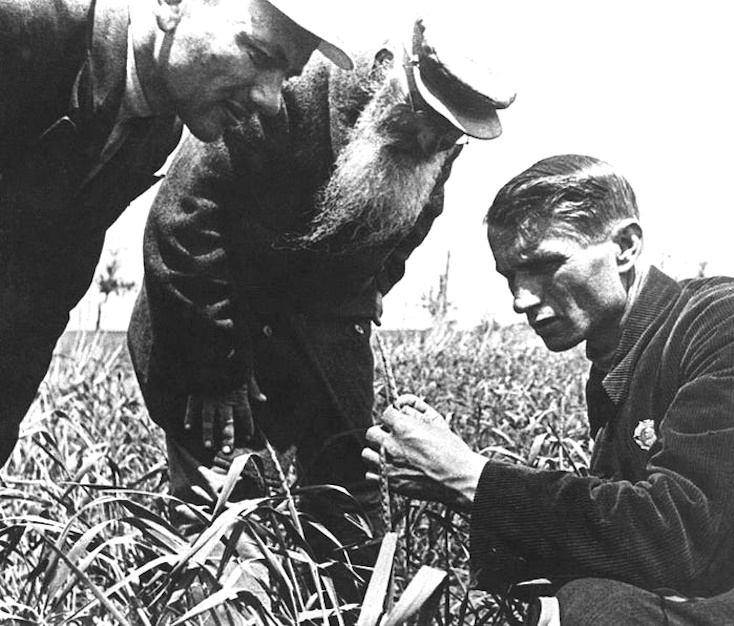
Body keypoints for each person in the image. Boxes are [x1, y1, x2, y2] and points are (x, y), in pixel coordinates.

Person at [364, 155, 734, 624]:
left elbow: (680, 540)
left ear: (627, 246)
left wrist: (470, 477)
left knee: (596, 609)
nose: (520, 299)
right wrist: (454, 473)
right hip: (733, 584)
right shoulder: (625, 354)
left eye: (547, 264)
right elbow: (621, 529)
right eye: (510, 276)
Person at [127, 15, 514, 565]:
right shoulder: (287, 90)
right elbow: (182, 225)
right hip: (210, 318)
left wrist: (371, 285)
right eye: (425, 116)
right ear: (389, 72)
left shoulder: (436, 141)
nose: (432, 140)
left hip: (325, 323)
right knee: (226, 511)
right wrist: (215, 373)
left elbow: (412, 219)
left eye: (450, 134)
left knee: (350, 503)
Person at [0, 0, 353, 468]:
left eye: (286, 76)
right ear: (171, 5)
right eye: (259, 54)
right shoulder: (26, 26)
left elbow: (42, 294)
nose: (271, 99)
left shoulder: (158, 128)